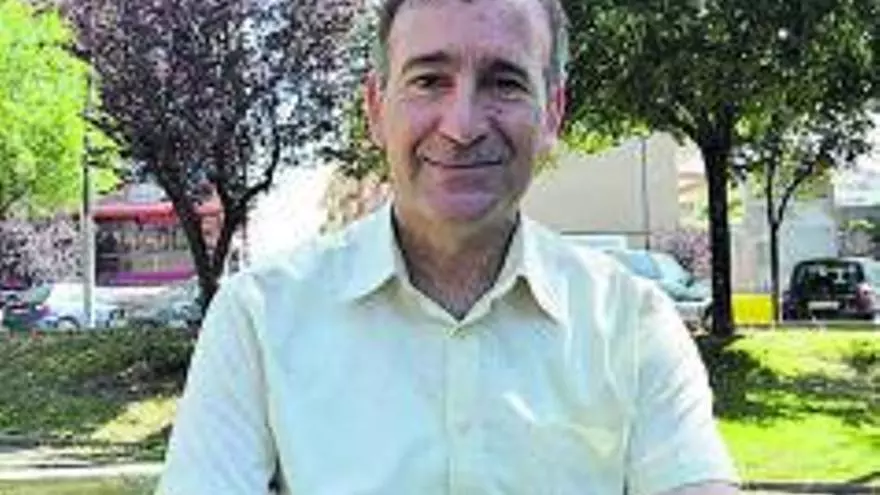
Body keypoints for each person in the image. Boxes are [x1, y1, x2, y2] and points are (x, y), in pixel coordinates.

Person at [156, 0, 740, 493]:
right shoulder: (258, 319)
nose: (462, 126)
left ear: (552, 114)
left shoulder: (633, 324)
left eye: (504, 82)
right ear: (375, 108)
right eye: (429, 80)